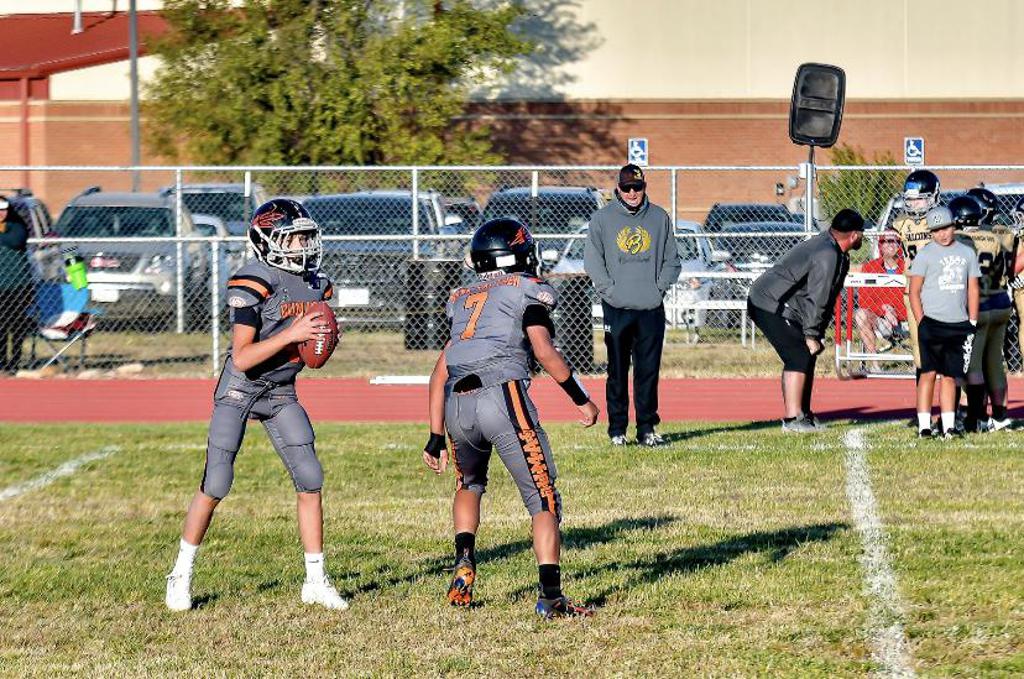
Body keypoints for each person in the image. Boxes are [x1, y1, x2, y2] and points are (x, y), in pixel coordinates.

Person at [165, 199, 348, 612]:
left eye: (305, 237)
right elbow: (243, 357)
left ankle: (316, 580)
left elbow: (310, 344)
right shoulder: (253, 280)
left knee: (311, 479)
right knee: (216, 483)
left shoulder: (316, 284)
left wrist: (320, 341)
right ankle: (180, 574)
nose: (303, 245)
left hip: (281, 390)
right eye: (294, 237)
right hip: (241, 389)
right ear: (268, 240)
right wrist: (293, 333)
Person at [423, 217, 600, 619]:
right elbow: (543, 350)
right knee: (543, 498)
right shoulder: (525, 290)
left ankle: (464, 562)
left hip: (456, 405)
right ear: (519, 254)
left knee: (469, 483)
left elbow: (439, 372)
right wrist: (581, 398)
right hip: (502, 397)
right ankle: (551, 597)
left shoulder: (463, 299)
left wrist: (435, 436)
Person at [583, 164, 681, 447]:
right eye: (626, 187)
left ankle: (647, 428)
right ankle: (617, 430)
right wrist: (610, 292)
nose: (632, 193)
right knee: (616, 371)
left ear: (644, 188)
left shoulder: (660, 217)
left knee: (647, 371)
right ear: (618, 189)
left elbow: (672, 260)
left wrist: (658, 289)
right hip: (617, 308)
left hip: (650, 308)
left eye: (637, 187)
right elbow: (593, 262)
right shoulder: (602, 219)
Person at [747, 208, 864, 432]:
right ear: (853, 236)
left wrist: (815, 333)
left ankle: (804, 415)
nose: (862, 237)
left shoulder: (836, 251)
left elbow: (824, 298)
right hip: (768, 303)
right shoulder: (827, 254)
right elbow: (817, 297)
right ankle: (793, 420)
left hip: (785, 305)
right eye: (861, 233)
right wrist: (811, 334)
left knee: (806, 356)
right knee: (798, 355)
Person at [909, 206, 980, 440]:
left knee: (950, 376)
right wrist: (922, 321)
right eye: (937, 230)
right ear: (931, 232)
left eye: (947, 228)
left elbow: (972, 287)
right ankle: (924, 426)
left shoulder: (967, 252)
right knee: (928, 373)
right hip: (932, 322)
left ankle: (948, 425)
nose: (943, 234)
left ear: (954, 226)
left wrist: (972, 319)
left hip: (958, 322)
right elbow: (914, 291)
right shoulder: (925, 254)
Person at [951, 195, 1015, 432]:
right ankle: (1000, 415)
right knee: (995, 364)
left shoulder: (960, 240)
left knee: (972, 367)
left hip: (979, 306)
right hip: (1001, 301)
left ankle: (976, 418)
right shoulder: (999, 235)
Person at [853, 230, 906, 357]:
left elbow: (915, 298)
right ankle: (873, 363)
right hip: (880, 318)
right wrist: (884, 310)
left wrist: (895, 312)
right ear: (880, 245)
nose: (890, 244)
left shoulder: (908, 267)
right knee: (861, 314)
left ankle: (923, 365)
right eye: (885, 241)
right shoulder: (870, 268)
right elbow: (864, 301)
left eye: (895, 241)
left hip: (906, 319)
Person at [0, 197, 34, 373]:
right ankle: (2, 361)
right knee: (1, 325)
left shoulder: (17, 224)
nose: (1, 213)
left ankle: (15, 360)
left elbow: (16, 241)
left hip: (17, 286)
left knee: (16, 324)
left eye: (3, 209)